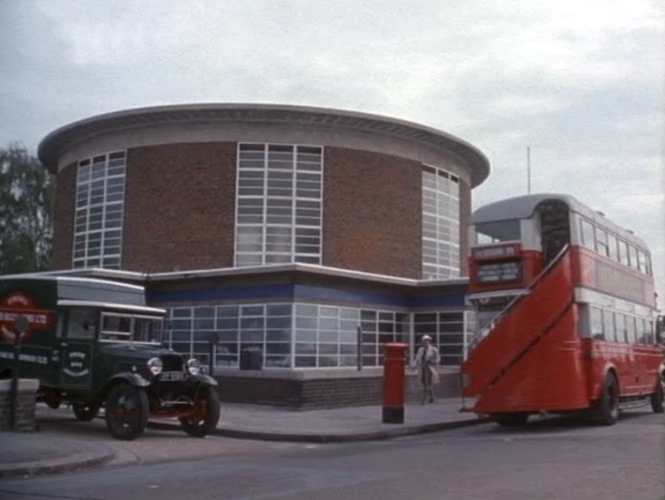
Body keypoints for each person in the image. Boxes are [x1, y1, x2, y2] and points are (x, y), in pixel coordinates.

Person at [414, 335, 440, 404]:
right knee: (424, 383)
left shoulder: (434, 349)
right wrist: (414, 365)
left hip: (429, 368)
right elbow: (417, 358)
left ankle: (423, 400)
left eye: (427, 341)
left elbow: (438, 359)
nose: (425, 342)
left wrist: (433, 361)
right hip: (422, 368)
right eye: (424, 341)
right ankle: (432, 397)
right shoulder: (420, 349)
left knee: (428, 384)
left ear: (429, 341)